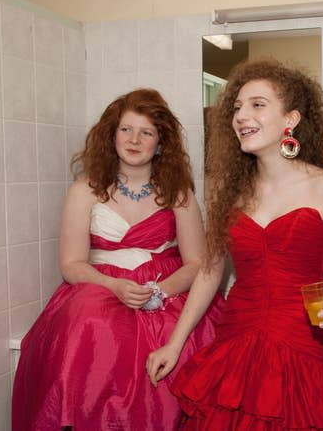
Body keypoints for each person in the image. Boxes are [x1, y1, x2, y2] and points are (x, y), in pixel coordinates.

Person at [146, 59, 323, 431]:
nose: (241, 115)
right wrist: (174, 343)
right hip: (237, 343)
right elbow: (209, 271)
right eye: (236, 107)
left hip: (302, 348)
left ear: (291, 119)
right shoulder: (230, 193)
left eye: (257, 104)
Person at [12, 89, 224, 430]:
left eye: (146, 132)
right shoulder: (85, 189)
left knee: (183, 338)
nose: (134, 139)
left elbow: (198, 263)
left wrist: (160, 291)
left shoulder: (179, 194)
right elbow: (71, 265)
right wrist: (113, 285)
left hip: (166, 286)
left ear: (161, 142)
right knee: (92, 329)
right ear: (112, 136)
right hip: (98, 286)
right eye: (126, 129)